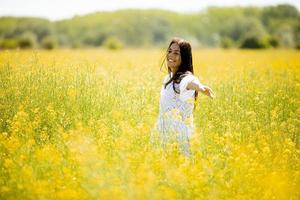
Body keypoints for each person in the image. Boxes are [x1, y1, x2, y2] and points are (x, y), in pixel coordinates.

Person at [151, 37, 214, 157]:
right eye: (169, 51)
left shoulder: (184, 78)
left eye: (176, 53)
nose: (171, 55)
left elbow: (189, 82)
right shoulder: (167, 78)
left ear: (184, 57)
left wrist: (200, 87)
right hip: (164, 132)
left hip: (179, 137)